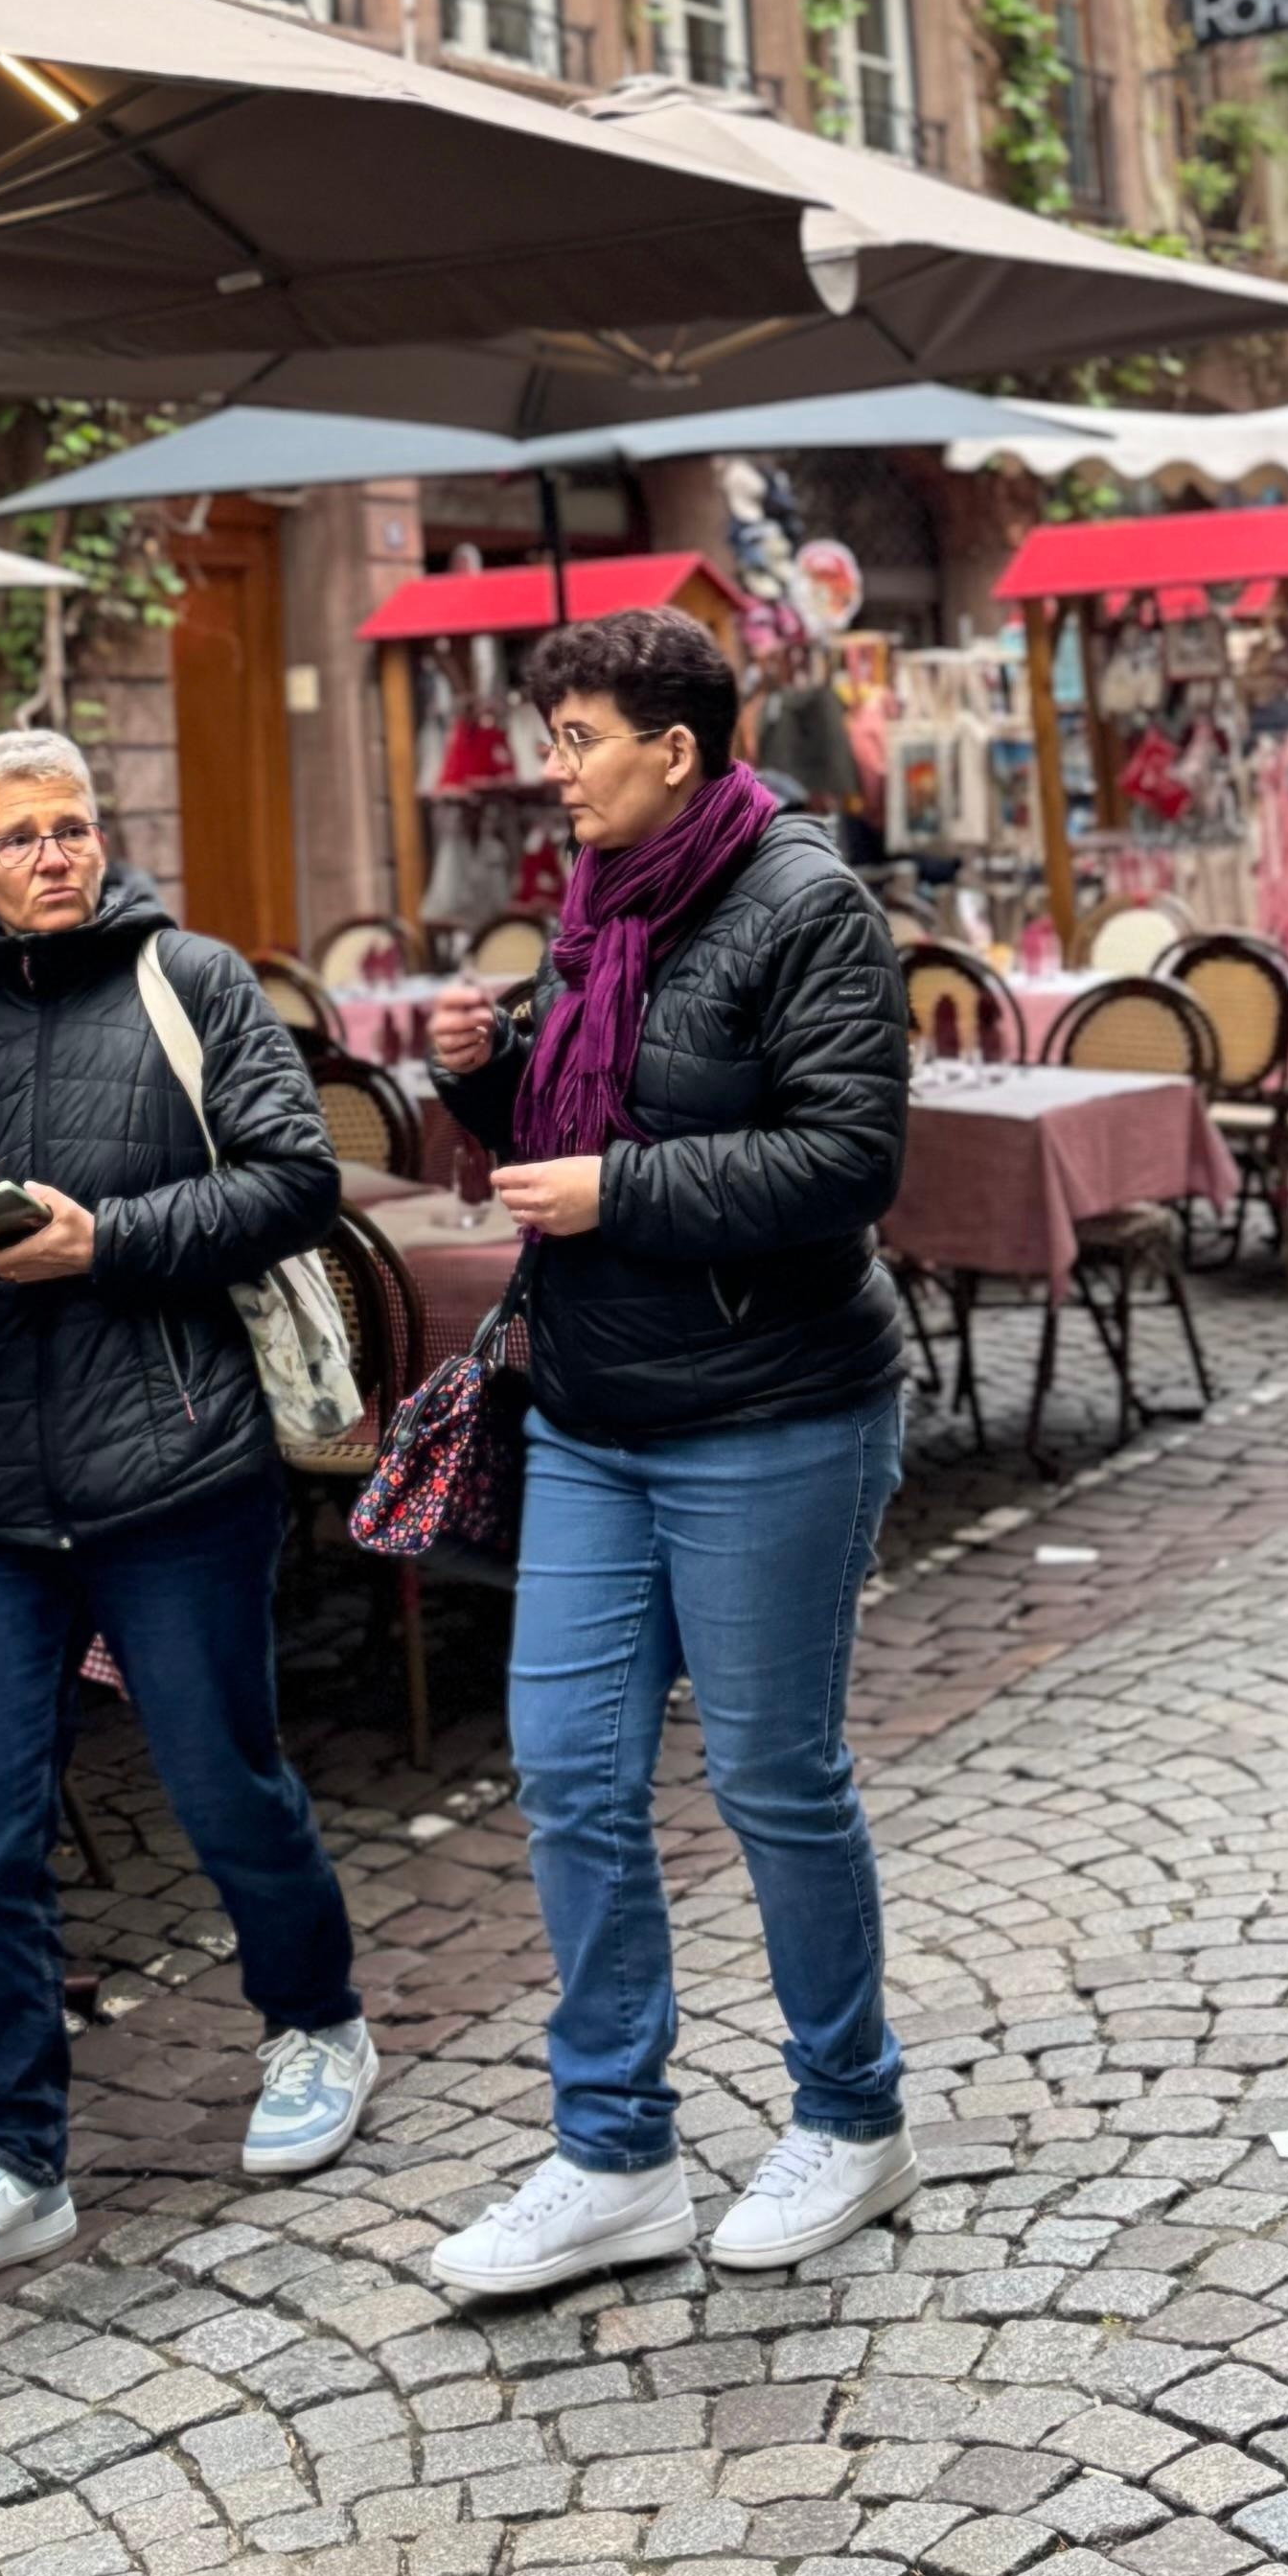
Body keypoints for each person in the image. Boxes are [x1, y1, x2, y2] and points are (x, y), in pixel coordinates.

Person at [418, 601, 914, 2303]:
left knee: (773, 1775)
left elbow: (848, 1158)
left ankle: (850, 2116)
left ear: (675, 750)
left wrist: (618, 1191)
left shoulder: (805, 903)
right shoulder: (600, 898)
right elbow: (586, 1118)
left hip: (774, 1407)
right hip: (594, 1408)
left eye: (576, 741)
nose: (551, 773)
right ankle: (612, 2151)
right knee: (567, 1771)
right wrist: (490, 1081)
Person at [0, 729, 373, 2311]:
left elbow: (297, 1179)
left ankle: (316, 2024)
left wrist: (112, 1239)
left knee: (225, 1788)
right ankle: (14, 2157)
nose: (54, 854)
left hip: (178, 1462)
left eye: (72, 825)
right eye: (19, 837)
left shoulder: (193, 982)